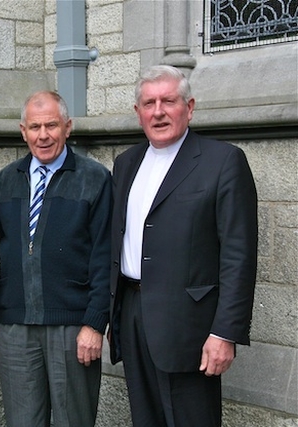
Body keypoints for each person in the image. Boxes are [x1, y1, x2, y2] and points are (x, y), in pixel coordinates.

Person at [108, 65, 258, 426]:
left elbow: (239, 254)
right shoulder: (126, 163)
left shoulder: (223, 161)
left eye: (168, 101)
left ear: (189, 107)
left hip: (190, 326)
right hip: (132, 314)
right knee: (146, 418)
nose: (158, 111)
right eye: (149, 103)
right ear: (138, 112)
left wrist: (224, 332)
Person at [0, 91, 112, 426]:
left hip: (72, 328)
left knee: (74, 421)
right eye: (35, 126)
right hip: (16, 328)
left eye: (51, 125)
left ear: (68, 127)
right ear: (22, 130)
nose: (43, 135)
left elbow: (105, 255)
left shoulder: (94, 178)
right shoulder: (4, 181)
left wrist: (95, 323)